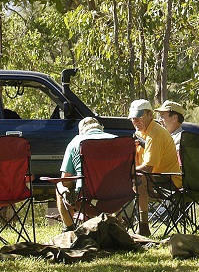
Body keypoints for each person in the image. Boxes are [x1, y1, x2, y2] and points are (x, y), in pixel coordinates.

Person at [55, 117, 117, 232]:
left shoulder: (76, 142)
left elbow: (65, 180)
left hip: (86, 199)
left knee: (59, 185)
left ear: (81, 131)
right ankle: (116, 225)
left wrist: (76, 182)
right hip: (117, 198)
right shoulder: (116, 140)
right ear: (100, 128)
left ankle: (69, 229)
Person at [128, 99, 180, 236]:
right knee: (129, 179)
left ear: (150, 115)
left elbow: (148, 169)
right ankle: (117, 220)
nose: (135, 121)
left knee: (138, 180)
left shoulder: (154, 134)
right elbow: (137, 164)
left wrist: (128, 171)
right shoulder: (140, 134)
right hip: (155, 179)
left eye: (139, 117)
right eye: (133, 118)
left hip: (169, 181)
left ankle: (143, 226)